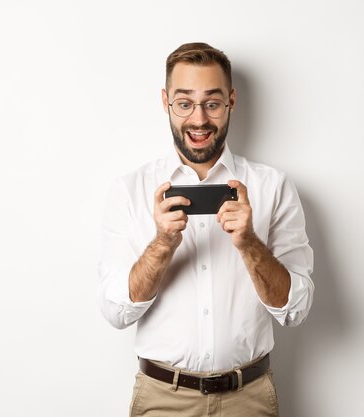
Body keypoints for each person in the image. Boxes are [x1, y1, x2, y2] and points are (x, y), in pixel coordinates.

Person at [98, 42, 314, 417]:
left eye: (212, 103)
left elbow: (296, 311)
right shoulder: (129, 190)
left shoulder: (273, 186)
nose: (199, 120)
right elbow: (116, 313)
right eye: (185, 103)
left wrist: (248, 244)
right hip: (163, 399)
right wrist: (163, 243)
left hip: (249, 398)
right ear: (165, 102)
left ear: (231, 101)